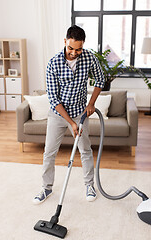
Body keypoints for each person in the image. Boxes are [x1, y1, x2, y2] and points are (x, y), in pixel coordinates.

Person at [33, 25, 105, 204]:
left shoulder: (88, 58)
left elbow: (101, 79)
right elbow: (53, 99)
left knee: (85, 150)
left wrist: (91, 104)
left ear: (83, 46)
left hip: (80, 112)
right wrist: (71, 124)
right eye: (71, 48)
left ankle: (89, 185)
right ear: (65, 42)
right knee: (49, 152)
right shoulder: (53, 63)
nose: (74, 53)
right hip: (58, 114)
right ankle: (46, 188)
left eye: (78, 49)